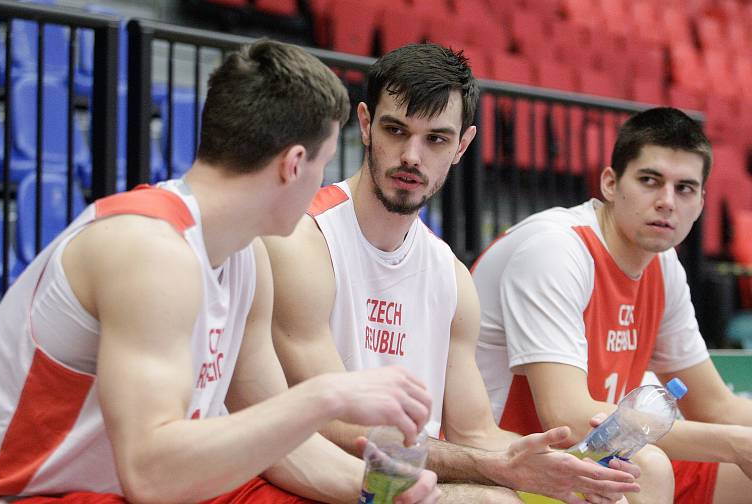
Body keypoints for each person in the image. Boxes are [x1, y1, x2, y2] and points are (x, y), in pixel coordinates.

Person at [0, 39, 440, 504]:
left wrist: (379, 490)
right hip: (18, 493)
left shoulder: (246, 257)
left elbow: (281, 444)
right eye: (325, 163)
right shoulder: (148, 249)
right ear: (294, 164)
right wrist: (324, 396)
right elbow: (151, 472)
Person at [263, 42, 641, 503]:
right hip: (319, 480)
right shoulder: (306, 241)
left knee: (616, 491)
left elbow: (474, 430)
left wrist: (568, 464)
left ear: (462, 145)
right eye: (395, 130)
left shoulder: (451, 276)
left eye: (435, 139)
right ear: (364, 124)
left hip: (410, 476)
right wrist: (494, 470)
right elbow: (332, 425)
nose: (411, 156)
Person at [471, 106, 752, 504]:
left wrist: (741, 441)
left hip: (599, 452)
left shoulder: (663, 264)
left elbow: (715, 405)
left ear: (702, 202)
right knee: (646, 470)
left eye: (684, 188)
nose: (667, 202)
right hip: (513, 455)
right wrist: (736, 444)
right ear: (609, 182)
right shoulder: (556, 249)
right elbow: (567, 415)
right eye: (650, 181)